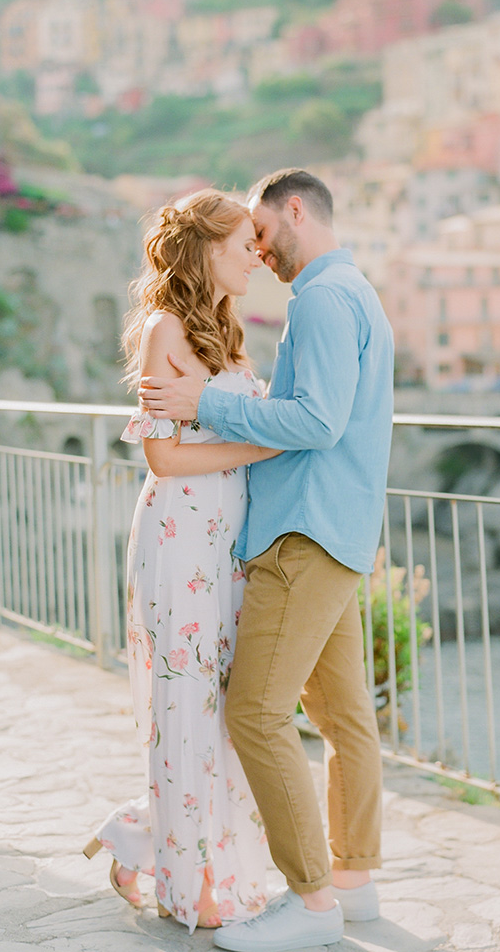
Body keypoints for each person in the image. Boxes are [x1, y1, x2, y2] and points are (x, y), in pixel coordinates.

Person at [138, 168, 395, 952]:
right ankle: (351, 883)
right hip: (337, 528)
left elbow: (314, 422)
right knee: (344, 714)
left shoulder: (319, 297)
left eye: (259, 230)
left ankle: (312, 902)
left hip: (306, 529)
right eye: (239, 239)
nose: (257, 248)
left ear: (293, 211)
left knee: (253, 713)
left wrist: (205, 405)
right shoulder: (353, 289)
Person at [83, 189, 281, 934]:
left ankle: (152, 840)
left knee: (223, 710)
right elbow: (165, 457)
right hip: (179, 540)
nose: (256, 257)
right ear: (204, 250)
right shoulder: (167, 327)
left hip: (226, 542)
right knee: (185, 707)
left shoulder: (227, 334)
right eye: (242, 246)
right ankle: (188, 877)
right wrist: (272, 441)